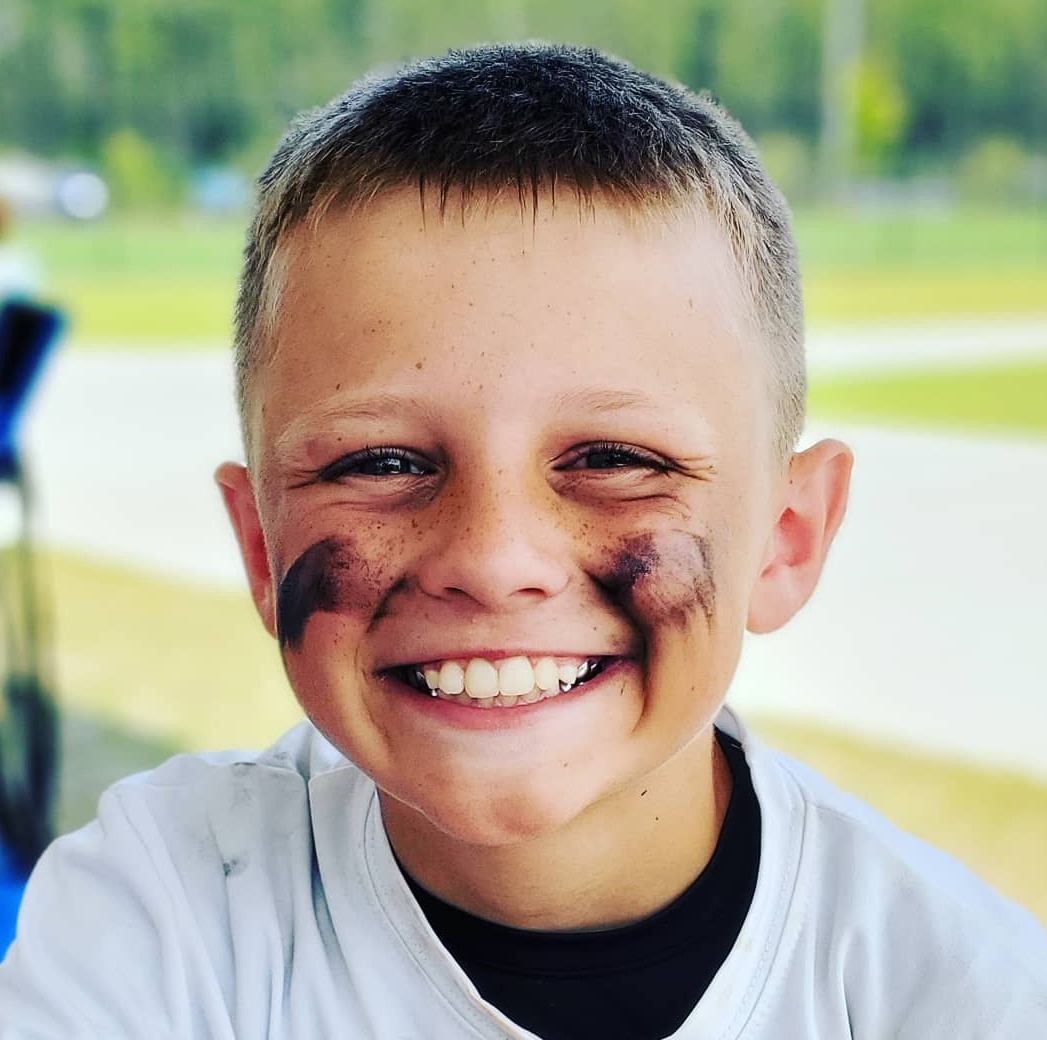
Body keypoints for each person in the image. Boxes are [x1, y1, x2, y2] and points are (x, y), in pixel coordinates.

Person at [0, 42, 1044, 1038]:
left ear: (785, 538)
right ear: (263, 550)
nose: (494, 559)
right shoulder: (162, 916)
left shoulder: (961, 993)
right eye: (381, 462)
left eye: (614, 458)